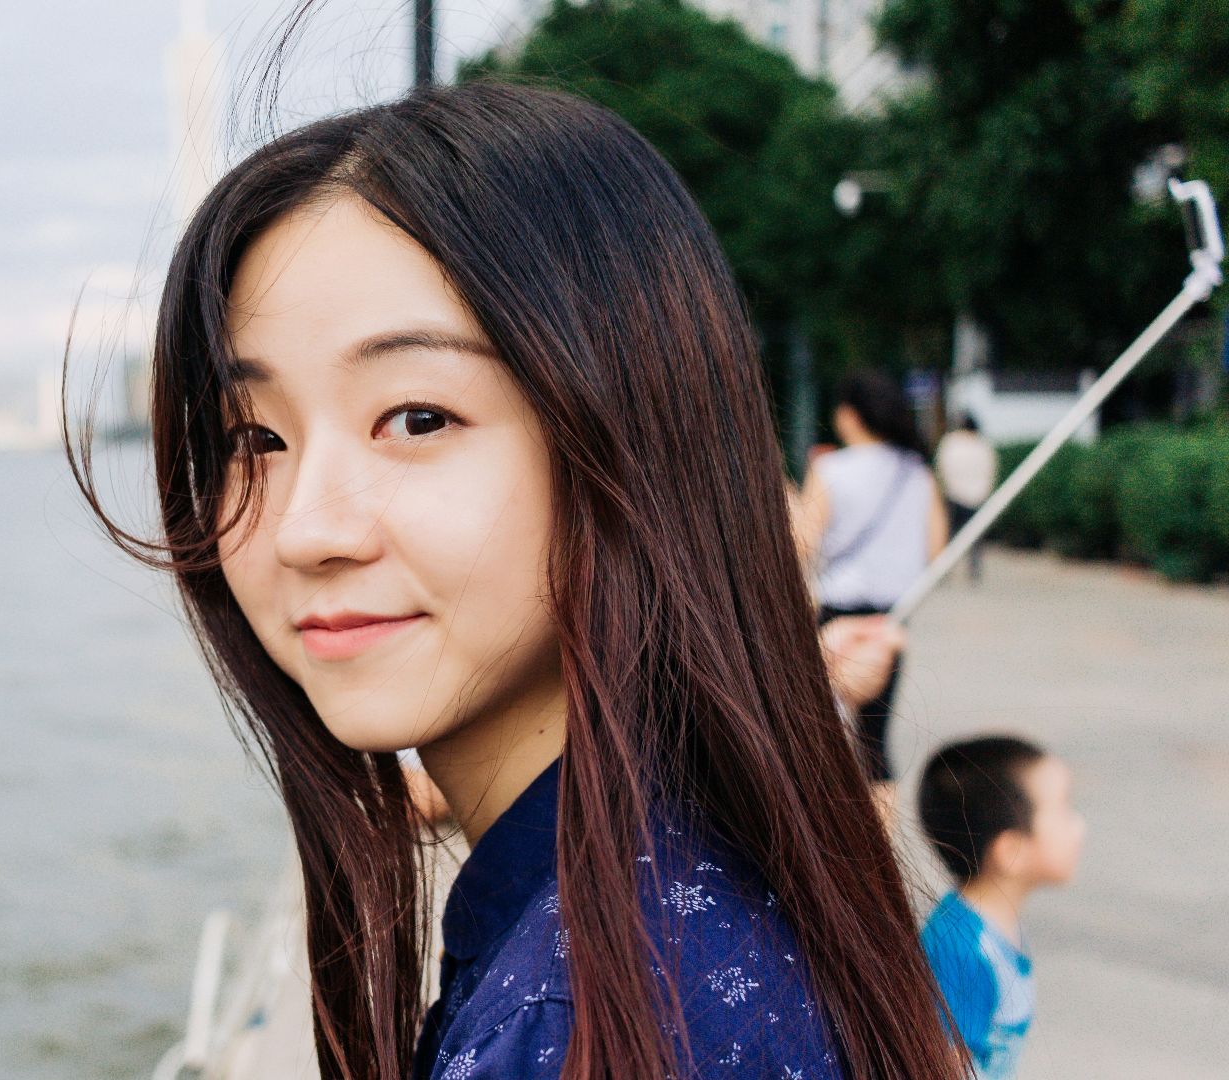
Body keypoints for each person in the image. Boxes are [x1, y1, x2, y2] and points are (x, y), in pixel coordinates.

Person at [69, 84, 959, 1079]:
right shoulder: (677, 900)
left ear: (629, 437)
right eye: (253, 438)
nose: (304, 527)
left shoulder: (579, 1023)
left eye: (416, 417)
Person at [794, 372, 948, 796]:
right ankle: (881, 852)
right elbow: (936, 551)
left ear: (850, 416)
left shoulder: (830, 468)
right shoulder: (916, 471)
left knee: (823, 737)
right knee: (874, 742)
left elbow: (803, 543)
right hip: (891, 619)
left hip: (836, 617)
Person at [917, 737, 1085, 1079]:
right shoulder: (961, 952)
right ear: (1011, 851)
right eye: (1064, 809)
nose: (1080, 827)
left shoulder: (994, 925)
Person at [934, 414, 996, 584]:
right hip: (978, 496)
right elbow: (990, 469)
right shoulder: (983, 444)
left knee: (950, 536)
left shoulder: (951, 442)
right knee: (975, 538)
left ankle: (943, 571)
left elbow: (942, 466)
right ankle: (974, 571)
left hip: (954, 494)